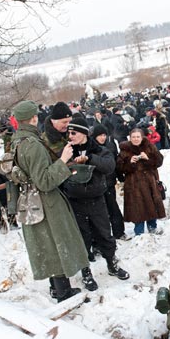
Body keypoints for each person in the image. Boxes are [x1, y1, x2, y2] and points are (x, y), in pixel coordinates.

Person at [10, 100, 91, 301]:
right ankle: (64, 293)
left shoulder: (18, 141)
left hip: (36, 202)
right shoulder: (32, 145)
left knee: (49, 245)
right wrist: (63, 160)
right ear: (34, 118)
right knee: (56, 245)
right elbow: (44, 181)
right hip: (46, 203)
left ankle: (58, 288)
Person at [62, 117, 129, 286]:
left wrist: (90, 159)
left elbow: (109, 166)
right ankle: (86, 272)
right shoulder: (66, 151)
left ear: (84, 133)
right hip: (75, 202)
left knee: (105, 234)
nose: (70, 136)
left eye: (73, 132)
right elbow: (58, 171)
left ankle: (112, 264)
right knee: (82, 238)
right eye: (68, 133)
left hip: (97, 200)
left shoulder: (98, 150)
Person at [117, 128, 166, 236]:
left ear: (142, 137)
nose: (135, 139)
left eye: (138, 137)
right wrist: (130, 163)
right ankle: (139, 233)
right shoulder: (125, 150)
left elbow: (159, 161)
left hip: (150, 182)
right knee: (137, 209)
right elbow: (119, 168)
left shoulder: (150, 147)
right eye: (133, 137)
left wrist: (147, 158)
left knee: (151, 205)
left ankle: (152, 228)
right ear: (130, 138)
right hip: (134, 184)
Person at [90, 124, 128, 240]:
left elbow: (115, 163)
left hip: (110, 182)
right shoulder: (91, 147)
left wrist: (121, 178)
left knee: (113, 207)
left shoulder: (110, 146)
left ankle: (119, 232)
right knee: (100, 211)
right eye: (100, 135)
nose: (103, 138)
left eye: (104, 135)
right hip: (96, 184)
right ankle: (103, 236)